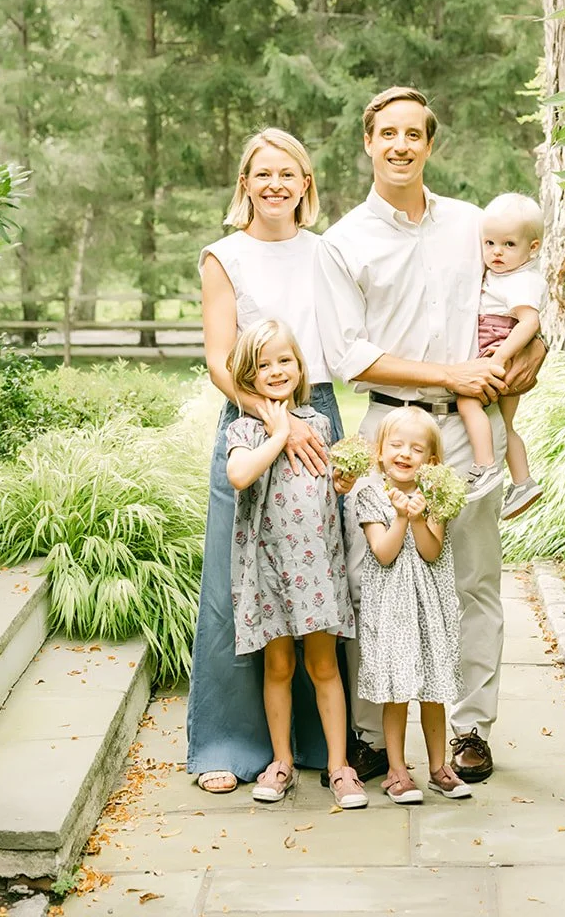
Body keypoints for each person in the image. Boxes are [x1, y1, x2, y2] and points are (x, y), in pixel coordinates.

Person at [315, 85, 546, 784]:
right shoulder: (343, 241)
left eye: (413, 134)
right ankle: (368, 733)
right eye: (387, 133)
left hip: (468, 428)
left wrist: (526, 364)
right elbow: (347, 354)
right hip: (390, 425)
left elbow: (518, 300)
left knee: (473, 579)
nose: (400, 146)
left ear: (430, 144)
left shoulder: (472, 224)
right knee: (373, 575)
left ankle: (472, 729)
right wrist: (449, 371)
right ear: (367, 141)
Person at [186, 128, 357, 795]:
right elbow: (216, 358)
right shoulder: (221, 256)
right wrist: (270, 421)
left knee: (321, 581)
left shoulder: (326, 252)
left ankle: (328, 750)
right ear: (245, 184)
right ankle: (232, 743)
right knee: (243, 587)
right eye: (263, 174)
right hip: (253, 419)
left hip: (321, 416)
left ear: (306, 184)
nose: (276, 184)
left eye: (289, 173)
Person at [225, 319, 366, 809]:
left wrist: (343, 483)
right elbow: (240, 475)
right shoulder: (243, 429)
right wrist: (278, 431)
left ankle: (339, 766)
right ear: (248, 377)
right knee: (279, 665)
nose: (276, 370)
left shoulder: (321, 426)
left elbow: (333, 487)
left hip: (317, 573)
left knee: (323, 665)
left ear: (300, 366)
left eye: (284, 360)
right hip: (268, 569)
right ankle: (281, 761)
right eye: (264, 365)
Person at [355, 407, 472, 804]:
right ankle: (397, 770)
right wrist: (401, 518)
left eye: (417, 448)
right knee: (397, 690)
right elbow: (384, 554)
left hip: (429, 609)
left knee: (434, 690)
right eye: (396, 445)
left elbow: (431, 551)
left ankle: (440, 768)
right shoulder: (371, 495)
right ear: (380, 451)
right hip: (391, 610)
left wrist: (420, 518)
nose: (405, 454)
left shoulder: (436, 496)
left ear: (432, 461)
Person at [459, 192, 548, 520]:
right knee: (507, 424)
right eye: (490, 243)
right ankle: (523, 481)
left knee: (466, 401)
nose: (496, 252)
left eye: (509, 244)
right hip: (503, 348)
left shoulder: (522, 280)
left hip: (498, 347)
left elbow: (530, 321)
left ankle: (484, 467)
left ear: (532, 248)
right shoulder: (506, 274)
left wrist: (499, 358)